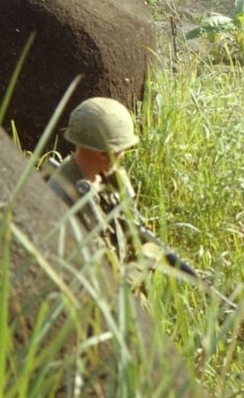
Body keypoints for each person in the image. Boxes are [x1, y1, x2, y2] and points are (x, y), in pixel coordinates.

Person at [43, 96, 172, 281]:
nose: (123, 154)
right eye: (120, 149)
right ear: (103, 153)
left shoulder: (113, 180)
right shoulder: (60, 197)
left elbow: (131, 229)